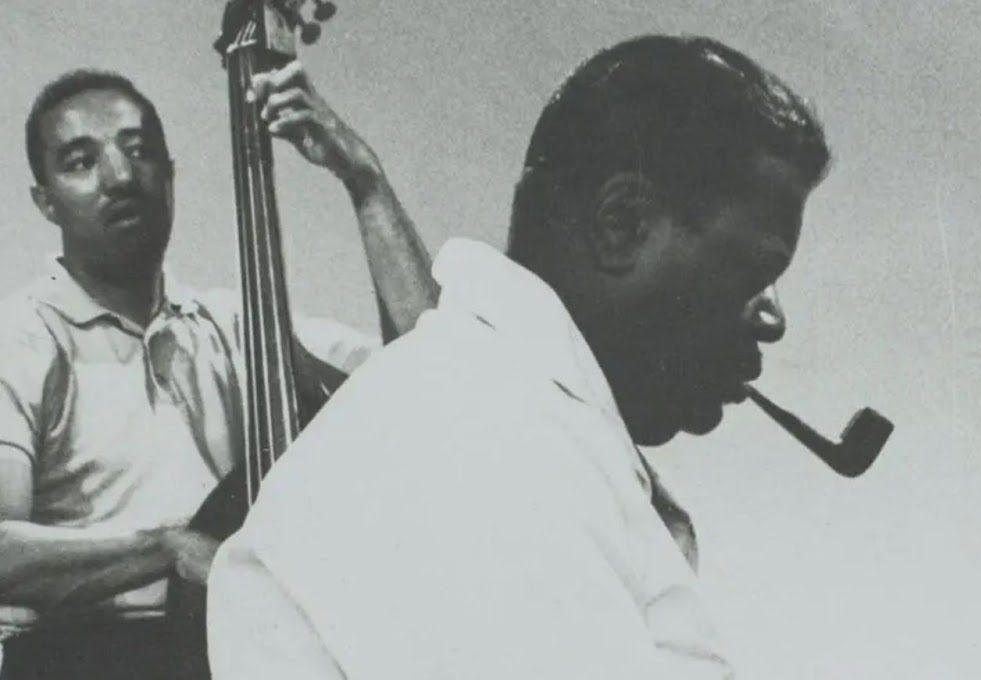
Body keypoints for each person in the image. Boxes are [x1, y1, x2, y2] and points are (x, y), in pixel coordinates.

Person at [207, 34, 829, 678]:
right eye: (757, 269)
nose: (773, 317)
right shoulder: (474, 431)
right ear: (621, 225)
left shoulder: (516, 424)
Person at [0, 62, 437, 679]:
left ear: (171, 175)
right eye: (81, 161)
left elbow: (433, 367)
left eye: (139, 151)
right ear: (45, 201)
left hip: (230, 649)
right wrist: (166, 548)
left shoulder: (239, 327)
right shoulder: (20, 338)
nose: (121, 176)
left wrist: (362, 177)